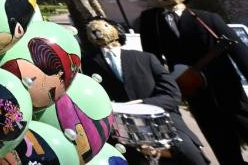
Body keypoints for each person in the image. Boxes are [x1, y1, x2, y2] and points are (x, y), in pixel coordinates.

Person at [138, 0, 248, 163]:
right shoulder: (153, 23)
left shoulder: (207, 18)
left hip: (226, 86)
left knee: (245, 123)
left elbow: (239, 51)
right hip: (194, 91)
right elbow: (152, 57)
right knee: (219, 139)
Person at [84, 16, 206, 164]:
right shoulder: (87, 66)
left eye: (103, 26)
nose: (96, 31)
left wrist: (142, 103)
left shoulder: (146, 58)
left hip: (164, 123)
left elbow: (172, 96)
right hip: (121, 130)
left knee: (188, 153)